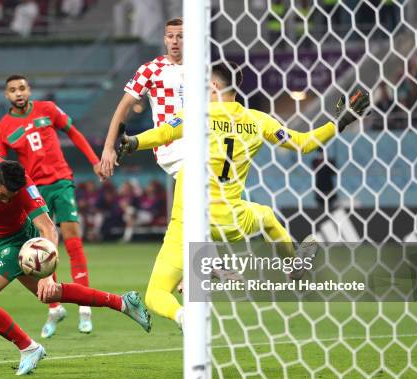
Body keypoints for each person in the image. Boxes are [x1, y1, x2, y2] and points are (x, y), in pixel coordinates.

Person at [116, 62, 370, 329]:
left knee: (155, 293)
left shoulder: (198, 115)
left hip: (188, 222)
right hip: (231, 219)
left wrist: (132, 142)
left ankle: (183, 317)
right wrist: (341, 122)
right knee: (269, 218)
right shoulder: (257, 120)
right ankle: (293, 266)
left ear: (213, 86)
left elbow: (164, 133)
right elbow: (304, 143)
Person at [0, 123, 150, 375]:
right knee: (51, 295)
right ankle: (123, 303)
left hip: (18, 241)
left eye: (11, 196)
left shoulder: (24, 189)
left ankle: (28, 348)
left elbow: (49, 229)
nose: (8, 199)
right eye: (2, 195)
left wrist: (46, 274)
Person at [0, 74, 103, 338]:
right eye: (12, 90)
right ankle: (55, 307)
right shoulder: (4, 127)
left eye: (22, 88)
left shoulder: (48, 109)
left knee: (72, 240)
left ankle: (85, 308)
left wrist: (95, 161)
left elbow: (74, 133)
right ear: (6, 96)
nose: (18, 93)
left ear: (29, 90)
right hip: (32, 191)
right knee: (37, 249)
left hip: (61, 181)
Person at [100, 17, 185, 179]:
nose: (175, 41)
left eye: (180, 36)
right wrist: (108, 148)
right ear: (164, 39)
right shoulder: (150, 70)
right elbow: (123, 107)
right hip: (170, 145)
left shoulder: (201, 69)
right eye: (170, 36)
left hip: (198, 139)